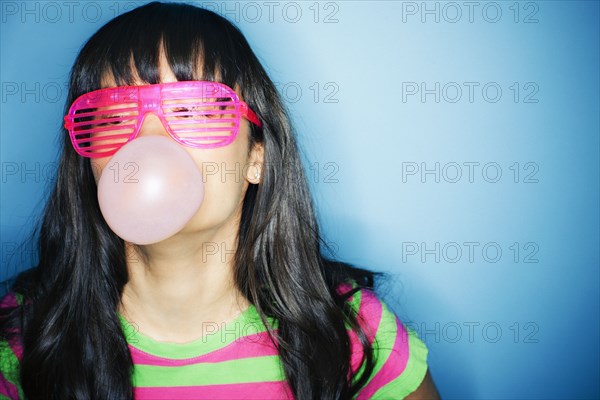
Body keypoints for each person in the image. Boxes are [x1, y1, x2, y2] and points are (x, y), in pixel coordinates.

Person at [0, 2, 441, 399]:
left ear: (257, 157)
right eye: (114, 116)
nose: (149, 140)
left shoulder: (352, 334)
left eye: (194, 110)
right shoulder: (24, 339)